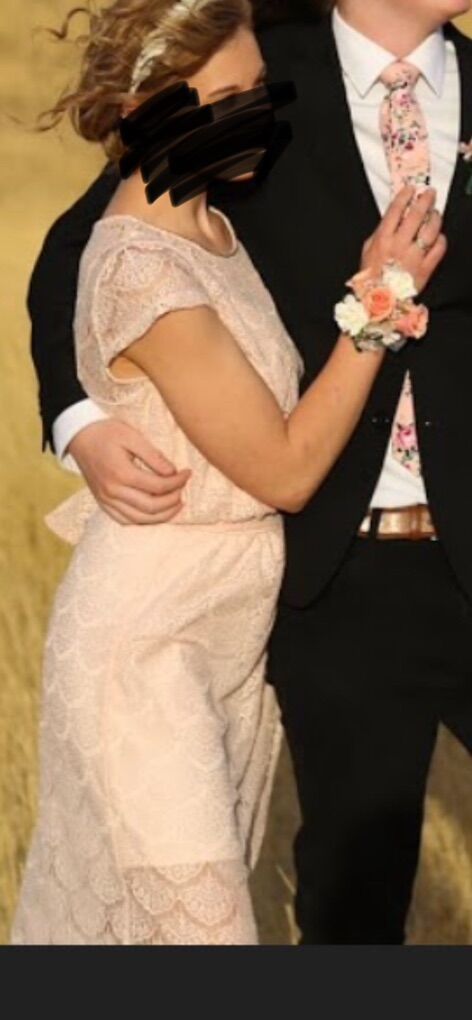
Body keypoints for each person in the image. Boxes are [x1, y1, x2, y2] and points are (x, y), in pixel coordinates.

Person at [18, 0, 461, 945]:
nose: (251, 112)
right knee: (267, 921)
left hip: (243, 623)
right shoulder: (250, 88)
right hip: (261, 598)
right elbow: (84, 260)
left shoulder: (220, 193)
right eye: (232, 100)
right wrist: (81, 416)